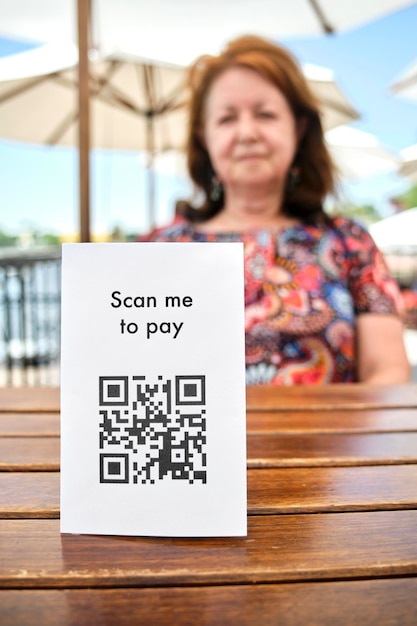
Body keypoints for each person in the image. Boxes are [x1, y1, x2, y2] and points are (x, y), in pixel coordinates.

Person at [144, 35, 411, 385]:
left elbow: (387, 372)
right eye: (226, 119)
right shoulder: (158, 250)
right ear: (203, 137)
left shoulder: (349, 242)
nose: (247, 132)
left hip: (331, 440)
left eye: (265, 114)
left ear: (298, 129)